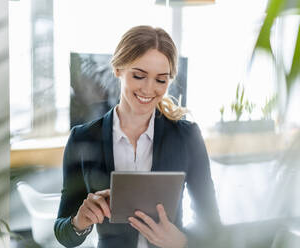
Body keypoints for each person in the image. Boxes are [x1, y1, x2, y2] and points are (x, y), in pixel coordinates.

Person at [54, 25, 220, 248]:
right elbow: (63, 233)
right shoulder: (83, 138)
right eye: (139, 76)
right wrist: (79, 221)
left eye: (161, 80)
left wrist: (183, 242)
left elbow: (212, 226)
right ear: (118, 69)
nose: (149, 89)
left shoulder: (187, 137)